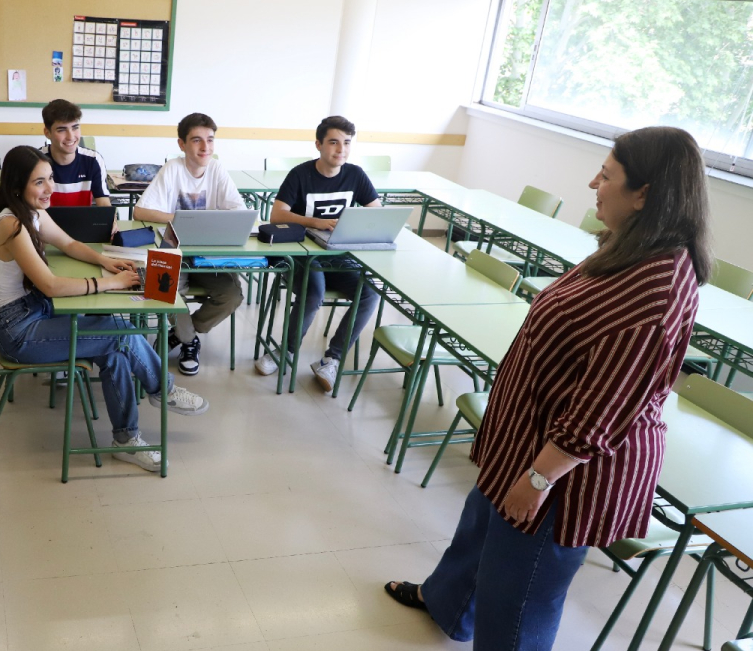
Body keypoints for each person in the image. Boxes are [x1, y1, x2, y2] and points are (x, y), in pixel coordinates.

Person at [385, 126, 712, 651]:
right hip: (527, 438)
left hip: (562, 472)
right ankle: (447, 602)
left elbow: (603, 410)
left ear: (645, 193)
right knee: (479, 532)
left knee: (519, 594)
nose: (593, 184)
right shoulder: (629, 248)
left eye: (606, 176)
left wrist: (538, 480)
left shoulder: (657, 287)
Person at [0, 146, 208, 472]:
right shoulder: (13, 225)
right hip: (19, 331)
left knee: (112, 337)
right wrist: (110, 283)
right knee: (118, 336)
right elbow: (51, 286)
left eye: (50, 179)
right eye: (39, 182)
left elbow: (67, 243)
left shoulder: (32, 213)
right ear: (17, 187)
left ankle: (125, 440)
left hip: (35, 311)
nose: (50, 188)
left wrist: (105, 261)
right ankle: (162, 390)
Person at [254, 116, 381, 392]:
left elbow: (376, 211)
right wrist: (315, 223)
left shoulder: (356, 174)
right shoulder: (300, 174)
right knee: (315, 291)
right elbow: (277, 214)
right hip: (302, 255)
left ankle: (331, 358)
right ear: (318, 145)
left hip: (337, 255)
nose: (341, 150)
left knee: (370, 294)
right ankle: (284, 352)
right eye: (334, 142)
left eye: (347, 143)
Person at [132, 113, 245, 375]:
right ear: (182, 144)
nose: (205, 147)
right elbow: (141, 212)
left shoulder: (216, 169)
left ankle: (183, 334)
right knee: (166, 292)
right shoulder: (172, 169)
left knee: (232, 295)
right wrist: (183, 219)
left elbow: (239, 210)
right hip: (173, 254)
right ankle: (189, 341)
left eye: (210, 140)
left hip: (208, 257)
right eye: (196, 140)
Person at [38, 99, 112, 208]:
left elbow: (104, 203)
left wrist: (111, 221)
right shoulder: (36, 161)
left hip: (82, 224)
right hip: (44, 224)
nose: (71, 136)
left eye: (75, 128)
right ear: (47, 133)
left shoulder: (93, 159)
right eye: (62, 130)